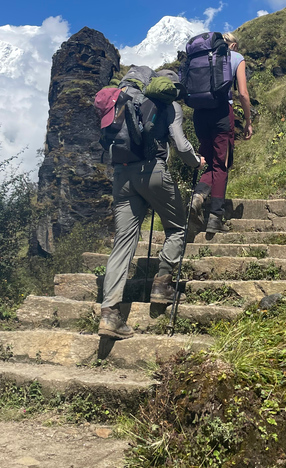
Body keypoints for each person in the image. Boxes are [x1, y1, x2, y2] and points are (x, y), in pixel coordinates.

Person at [95, 68, 205, 339]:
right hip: (153, 172)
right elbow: (179, 144)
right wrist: (196, 162)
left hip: (121, 175)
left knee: (123, 242)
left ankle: (110, 313)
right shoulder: (166, 104)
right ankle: (162, 283)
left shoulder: (120, 100)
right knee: (177, 227)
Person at [190, 31, 253, 235]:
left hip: (199, 113)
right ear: (233, 45)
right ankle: (215, 218)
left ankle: (197, 198)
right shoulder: (235, 57)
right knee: (221, 164)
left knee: (208, 159)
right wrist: (248, 121)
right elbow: (242, 93)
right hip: (221, 113)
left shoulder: (201, 57)